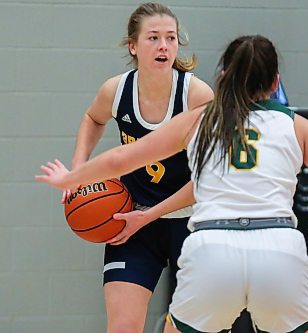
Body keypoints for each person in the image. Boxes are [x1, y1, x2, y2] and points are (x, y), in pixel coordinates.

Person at [37, 35, 308, 333]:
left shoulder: (196, 121)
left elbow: (118, 158)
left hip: (211, 249)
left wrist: (70, 177)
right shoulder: (298, 126)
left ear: (222, 77)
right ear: (275, 82)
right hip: (279, 250)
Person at [60, 3, 213, 333]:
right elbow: (92, 118)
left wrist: (154, 213)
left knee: (197, 327)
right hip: (132, 221)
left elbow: (209, 177)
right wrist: (78, 170)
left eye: (171, 38)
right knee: (123, 326)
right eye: (154, 37)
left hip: (192, 219)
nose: (163, 46)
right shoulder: (116, 91)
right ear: (133, 45)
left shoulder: (197, 95)